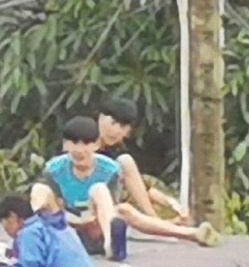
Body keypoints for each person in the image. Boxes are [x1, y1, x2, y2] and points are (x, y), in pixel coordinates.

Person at [95, 100, 221, 247]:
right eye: (114, 123)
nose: (117, 132)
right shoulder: (82, 144)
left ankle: (163, 224)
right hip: (88, 210)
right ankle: (173, 229)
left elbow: (142, 188)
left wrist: (175, 206)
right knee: (124, 208)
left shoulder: (113, 153)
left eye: (124, 128)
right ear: (101, 118)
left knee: (126, 167)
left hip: (112, 210)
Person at [42, 115, 126, 258]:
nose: (79, 150)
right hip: (68, 226)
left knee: (99, 189)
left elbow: (112, 206)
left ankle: (111, 245)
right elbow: (56, 206)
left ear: (96, 145)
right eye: (74, 143)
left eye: (86, 143)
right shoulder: (53, 170)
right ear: (65, 145)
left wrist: (92, 221)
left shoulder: (111, 170)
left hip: (97, 225)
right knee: (40, 190)